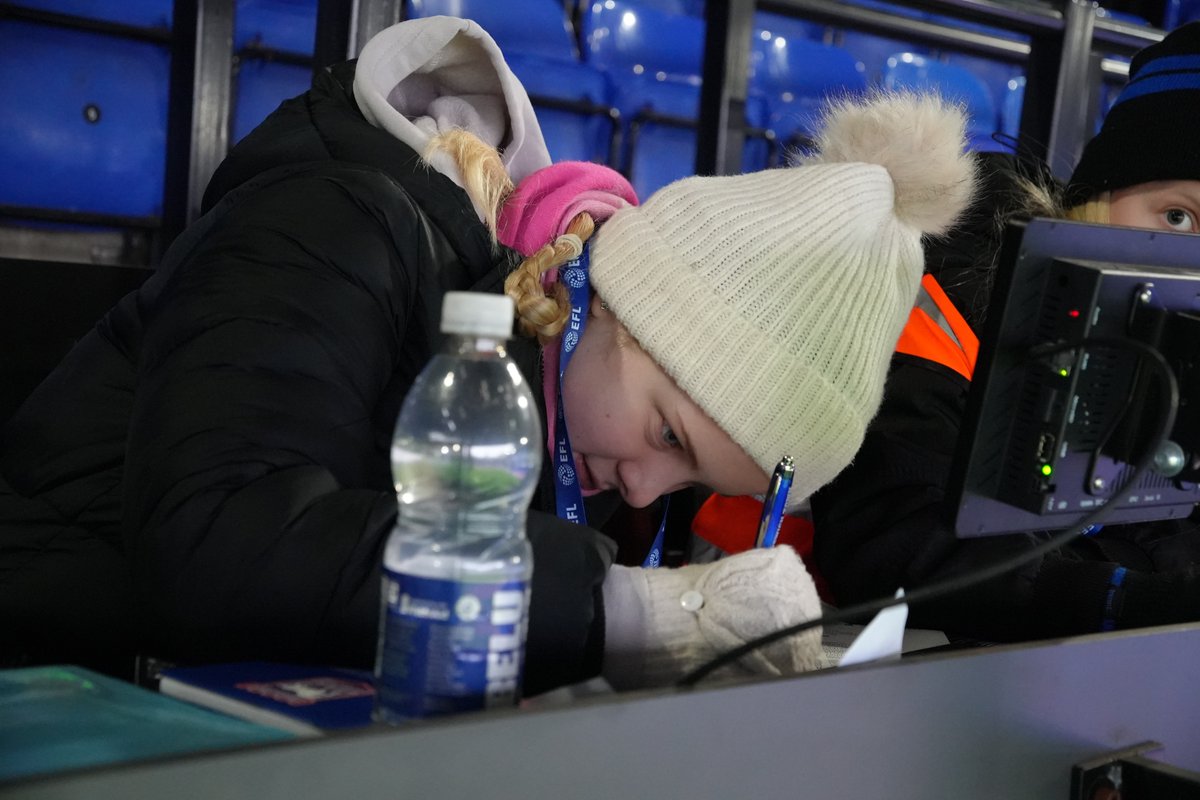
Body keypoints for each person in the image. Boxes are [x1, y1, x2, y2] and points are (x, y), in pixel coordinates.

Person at [0, 16, 977, 694]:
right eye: (669, 435)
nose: (644, 488)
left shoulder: (566, 403)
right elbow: (220, 544)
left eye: (688, 479)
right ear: (618, 306)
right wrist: (615, 611)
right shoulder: (332, 223)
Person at [797, 21, 1200, 643]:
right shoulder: (948, 278)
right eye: (1177, 216)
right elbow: (892, 542)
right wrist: (1117, 596)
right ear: (1101, 194)